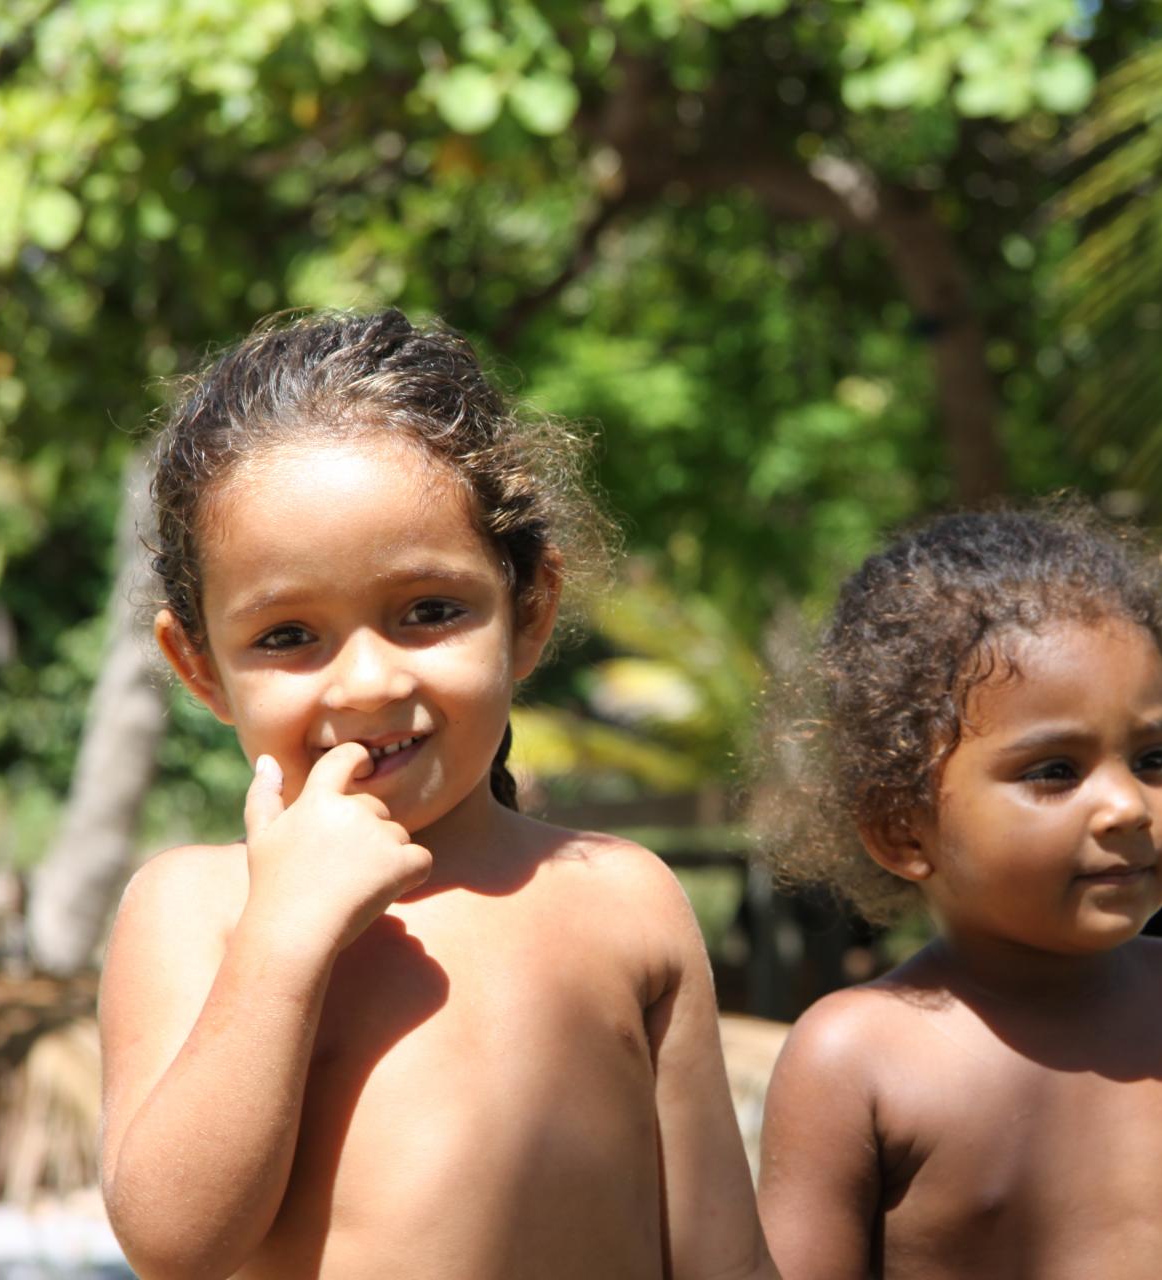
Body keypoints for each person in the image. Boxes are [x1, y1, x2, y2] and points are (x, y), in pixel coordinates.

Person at [97, 311, 774, 1280]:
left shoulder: (624, 899)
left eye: (429, 611)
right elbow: (173, 1240)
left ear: (529, 611)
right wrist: (281, 943)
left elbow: (724, 1257)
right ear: (198, 666)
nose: (368, 681)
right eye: (289, 634)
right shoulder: (196, 909)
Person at [753, 502, 1162, 1280]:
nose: (1128, 805)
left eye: (1155, 757)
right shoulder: (857, 1058)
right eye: (1055, 771)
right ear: (904, 828)